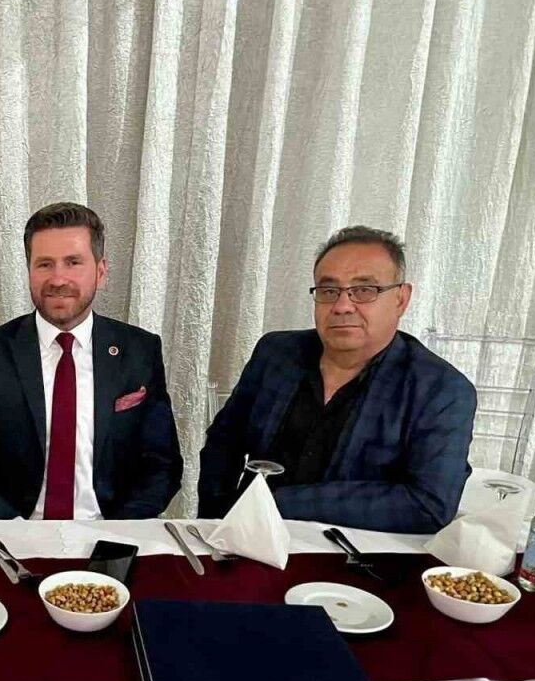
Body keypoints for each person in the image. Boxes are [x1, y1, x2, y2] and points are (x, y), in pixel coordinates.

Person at [198, 226, 475, 533]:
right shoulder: (277, 353)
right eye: (329, 291)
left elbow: (429, 504)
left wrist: (278, 503)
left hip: (355, 552)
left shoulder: (441, 389)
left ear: (401, 298)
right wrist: (215, 520)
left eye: (364, 290)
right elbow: (224, 441)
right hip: (249, 537)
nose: (342, 306)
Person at [0, 202, 181, 519]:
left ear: (100, 272)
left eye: (73, 263)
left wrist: (117, 534)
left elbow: (162, 464)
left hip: (111, 531)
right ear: (29, 270)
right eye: (45, 264)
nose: (58, 279)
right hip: (14, 532)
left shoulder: (139, 351)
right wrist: (13, 529)